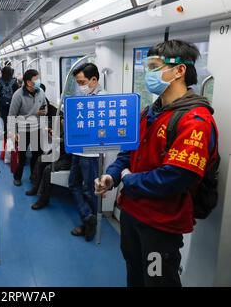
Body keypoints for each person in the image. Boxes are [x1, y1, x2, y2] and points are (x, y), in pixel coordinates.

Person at [95, 40, 219, 287]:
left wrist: (130, 179)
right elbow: (127, 154)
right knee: (135, 271)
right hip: (131, 212)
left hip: (161, 223)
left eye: (154, 67)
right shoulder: (148, 113)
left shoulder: (195, 121)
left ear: (179, 71)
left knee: (158, 280)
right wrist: (112, 176)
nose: (148, 74)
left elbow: (177, 176)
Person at [68, 63, 106, 241]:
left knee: (90, 190)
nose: (80, 86)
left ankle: (89, 225)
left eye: (82, 82)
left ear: (94, 80)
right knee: (73, 184)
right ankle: (88, 216)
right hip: (78, 150)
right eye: (78, 82)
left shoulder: (104, 99)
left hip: (92, 154)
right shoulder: (81, 96)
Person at [8, 69, 47, 186]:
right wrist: (13, 133)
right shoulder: (18, 95)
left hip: (37, 128)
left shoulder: (41, 92)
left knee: (36, 156)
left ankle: (33, 176)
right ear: (28, 82)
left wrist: (43, 113)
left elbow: (45, 108)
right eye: (36, 79)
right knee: (22, 156)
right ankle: (17, 177)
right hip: (23, 130)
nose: (39, 81)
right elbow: (12, 115)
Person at [26, 116, 72, 209]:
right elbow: (60, 141)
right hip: (60, 154)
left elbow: (68, 143)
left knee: (48, 170)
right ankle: (36, 187)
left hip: (69, 159)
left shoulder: (76, 128)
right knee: (40, 159)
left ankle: (44, 199)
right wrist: (54, 137)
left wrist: (58, 140)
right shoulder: (67, 126)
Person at [0, 66, 19, 141]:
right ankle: (12, 134)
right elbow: (17, 93)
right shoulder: (14, 82)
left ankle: (5, 134)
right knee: (12, 119)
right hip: (13, 104)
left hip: (3, 104)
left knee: (4, 119)